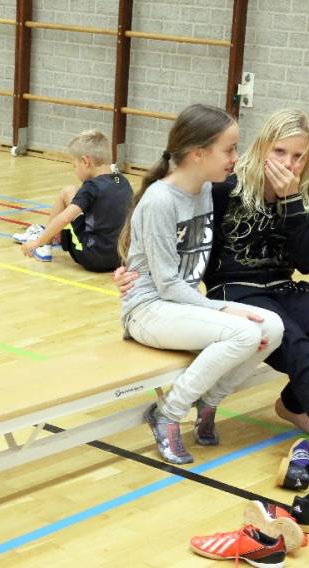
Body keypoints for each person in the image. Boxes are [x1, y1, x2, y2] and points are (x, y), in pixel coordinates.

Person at [117, 108, 309, 508]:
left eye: (298, 156)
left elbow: (308, 261)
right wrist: (127, 270)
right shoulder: (223, 185)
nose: (288, 164)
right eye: (280, 152)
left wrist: (292, 202)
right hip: (233, 291)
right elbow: (161, 223)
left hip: (283, 288)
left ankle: (293, 406)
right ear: (262, 148)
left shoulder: (302, 194)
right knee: (307, 359)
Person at [118, 104, 284, 465]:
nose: (236, 158)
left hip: (181, 306)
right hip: (148, 310)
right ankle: (168, 413)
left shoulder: (205, 189)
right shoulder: (161, 200)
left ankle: (209, 401)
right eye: (229, 149)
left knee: (272, 326)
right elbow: (166, 285)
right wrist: (224, 307)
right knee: (244, 333)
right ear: (197, 153)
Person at [13, 129, 133, 271]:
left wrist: (36, 243)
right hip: (121, 257)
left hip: (92, 256)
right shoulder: (121, 180)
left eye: (74, 166)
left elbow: (65, 218)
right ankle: (48, 234)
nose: (74, 170)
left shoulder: (91, 187)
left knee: (67, 192)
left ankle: (45, 245)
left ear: (85, 161)